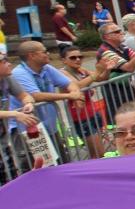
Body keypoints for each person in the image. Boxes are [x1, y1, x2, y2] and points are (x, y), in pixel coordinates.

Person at [11, 42, 85, 157]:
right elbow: (36, 96)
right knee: (40, 165)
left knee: (61, 161)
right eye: (44, 52)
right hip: (28, 128)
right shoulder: (19, 73)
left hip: (49, 126)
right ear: (32, 55)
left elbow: (69, 83)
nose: (48, 54)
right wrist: (69, 96)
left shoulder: (47, 68)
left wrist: (77, 95)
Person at [60, 45, 112, 159]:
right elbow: (76, 86)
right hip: (81, 118)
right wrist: (97, 72)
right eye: (73, 58)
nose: (78, 59)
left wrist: (107, 69)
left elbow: (102, 78)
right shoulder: (62, 73)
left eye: (80, 57)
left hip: (93, 112)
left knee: (100, 152)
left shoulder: (81, 70)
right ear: (64, 60)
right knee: (97, 153)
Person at [97, 23, 135, 120]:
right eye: (117, 31)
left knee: (133, 114)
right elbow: (130, 68)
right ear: (107, 36)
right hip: (114, 91)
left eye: (120, 30)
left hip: (126, 86)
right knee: (120, 117)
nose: (121, 32)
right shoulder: (105, 51)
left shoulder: (123, 47)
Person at [0, 52, 37, 182]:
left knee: (8, 173)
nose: (9, 64)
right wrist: (15, 114)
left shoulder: (6, 79)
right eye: (4, 62)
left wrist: (28, 103)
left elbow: (25, 95)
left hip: (3, 139)